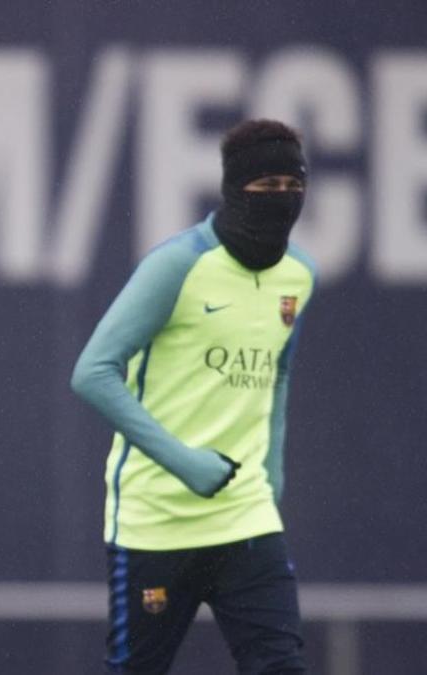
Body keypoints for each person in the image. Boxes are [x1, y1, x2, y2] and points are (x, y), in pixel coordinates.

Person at [71, 119, 315, 674]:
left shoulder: (299, 275)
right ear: (233, 189)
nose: (281, 200)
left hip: (246, 518)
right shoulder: (178, 264)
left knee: (282, 666)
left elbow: (277, 373)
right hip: (155, 520)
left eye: (292, 186)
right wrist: (186, 463)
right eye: (265, 187)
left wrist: (271, 472)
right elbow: (93, 372)